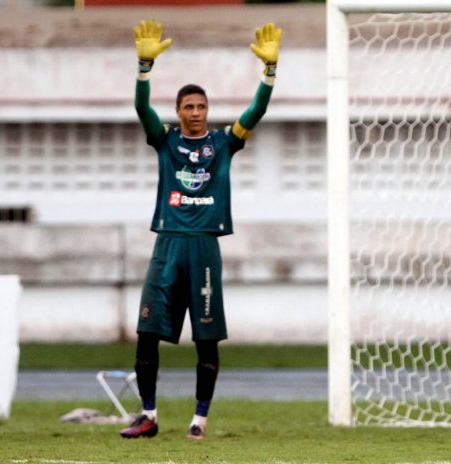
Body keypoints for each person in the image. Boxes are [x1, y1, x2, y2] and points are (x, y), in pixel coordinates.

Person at [119, 19, 282, 440]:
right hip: (167, 245)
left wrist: (268, 73)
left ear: (207, 110)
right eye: (188, 108)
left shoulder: (226, 142)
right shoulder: (166, 141)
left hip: (205, 247)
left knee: (206, 340)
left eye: (201, 107)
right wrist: (144, 67)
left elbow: (256, 112)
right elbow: (141, 110)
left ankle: (199, 419)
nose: (195, 114)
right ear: (178, 112)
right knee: (146, 333)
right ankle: (149, 415)